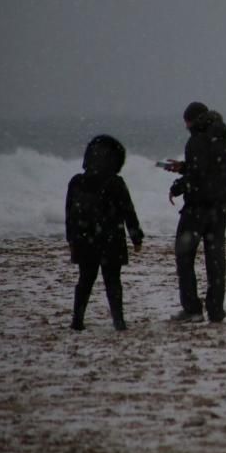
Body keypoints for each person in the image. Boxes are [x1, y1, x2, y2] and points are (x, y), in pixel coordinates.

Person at [164, 102, 226, 323]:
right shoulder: (222, 138)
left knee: (184, 258)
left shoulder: (196, 140)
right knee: (215, 260)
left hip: (197, 209)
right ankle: (216, 310)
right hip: (221, 207)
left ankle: (192, 309)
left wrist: (177, 187)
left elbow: (198, 176)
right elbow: (211, 169)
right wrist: (184, 167)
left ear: (191, 120)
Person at [65, 135, 144, 331]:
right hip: (111, 240)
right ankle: (118, 321)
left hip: (84, 240)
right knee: (113, 281)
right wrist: (136, 237)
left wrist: (71, 238)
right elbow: (128, 211)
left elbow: (70, 214)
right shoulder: (115, 183)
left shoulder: (76, 182)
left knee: (84, 280)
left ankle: (77, 320)